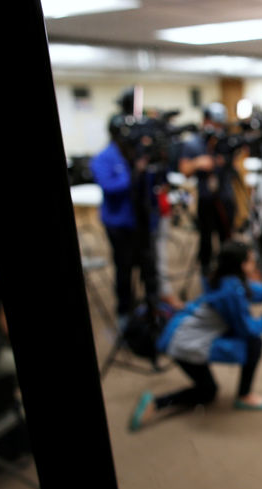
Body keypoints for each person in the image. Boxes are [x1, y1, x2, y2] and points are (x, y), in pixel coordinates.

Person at [128, 241, 262, 432]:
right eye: (251, 260)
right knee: (251, 345)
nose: (254, 263)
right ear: (241, 264)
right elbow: (247, 329)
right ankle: (244, 396)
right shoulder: (231, 291)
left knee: (208, 390)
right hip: (186, 343)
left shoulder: (227, 280)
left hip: (182, 335)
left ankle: (156, 403)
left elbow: (259, 292)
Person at [91, 114, 160, 329]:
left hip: (142, 222)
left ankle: (153, 310)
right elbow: (111, 188)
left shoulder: (137, 154)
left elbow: (150, 185)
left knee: (149, 267)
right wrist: (134, 171)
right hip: (119, 225)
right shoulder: (103, 158)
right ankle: (124, 312)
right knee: (124, 268)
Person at [179, 103, 237, 277]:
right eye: (214, 123)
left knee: (226, 239)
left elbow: (233, 166)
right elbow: (184, 169)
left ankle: (228, 276)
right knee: (206, 240)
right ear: (205, 121)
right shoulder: (193, 143)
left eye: (220, 124)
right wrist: (198, 162)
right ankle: (206, 277)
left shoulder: (225, 141)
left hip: (225, 197)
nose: (217, 128)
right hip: (206, 199)